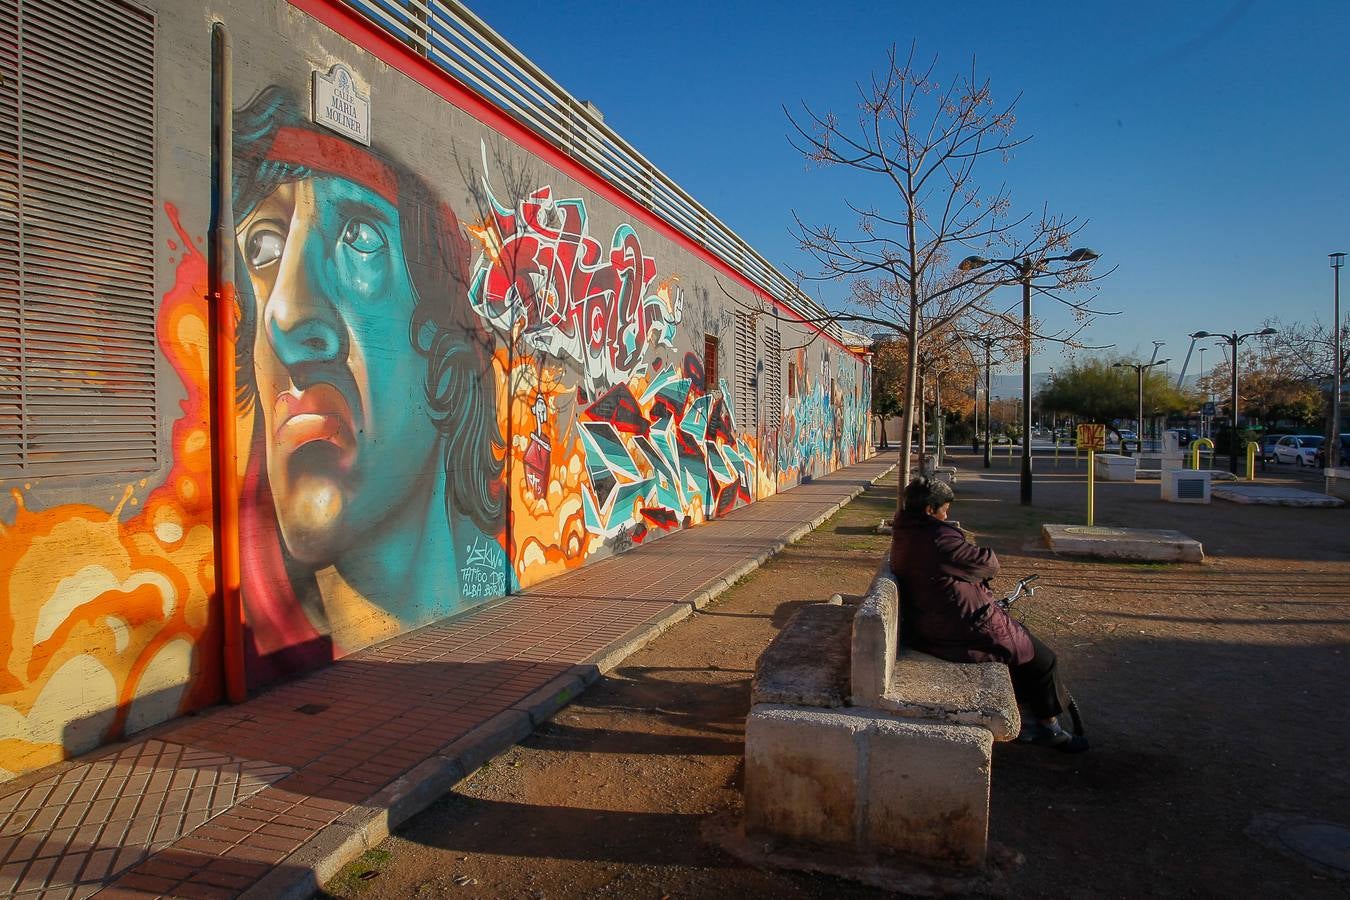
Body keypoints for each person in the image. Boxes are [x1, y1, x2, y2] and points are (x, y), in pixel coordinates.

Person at [232, 86, 509, 683]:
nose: (285, 316)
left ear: (446, 350)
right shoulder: (250, 630)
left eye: (360, 237)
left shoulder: (496, 575)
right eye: (264, 245)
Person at [889, 477, 1088, 752]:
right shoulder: (937, 539)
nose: (947, 515)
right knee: (1043, 659)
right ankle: (1049, 727)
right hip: (962, 628)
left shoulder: (907, 531)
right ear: (929, 510)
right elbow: (989, 564)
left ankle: (1034, 717)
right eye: (944, 510)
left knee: (1019, 650)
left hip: (934, 622)